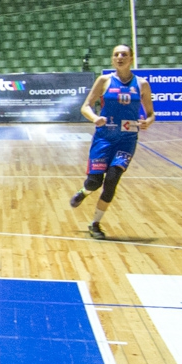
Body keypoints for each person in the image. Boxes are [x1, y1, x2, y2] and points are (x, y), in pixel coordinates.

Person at [69, 44, 156, 240]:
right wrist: (94, 118)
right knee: (94, 182)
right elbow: (86, 106)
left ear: (131, 58)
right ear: (112, 59)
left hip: (127, 139)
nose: (120, 57)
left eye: (124, 54)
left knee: (111, 181)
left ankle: (95, 224)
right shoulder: (104, 80)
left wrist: (148, 122)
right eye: (116, 54)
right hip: (104, 138)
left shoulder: (142, 84)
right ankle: (84, 191)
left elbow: (151, 114)